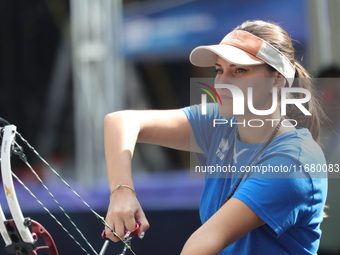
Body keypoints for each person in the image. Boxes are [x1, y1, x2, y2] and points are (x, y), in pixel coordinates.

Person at [103, 20, 328, 255]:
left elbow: (204, 242)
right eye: (219, 70)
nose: (222, 83)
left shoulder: (294, 160)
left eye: (240, 70)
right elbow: (120, 121)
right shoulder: (221, 123)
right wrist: (122, 192)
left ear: (278, 79)